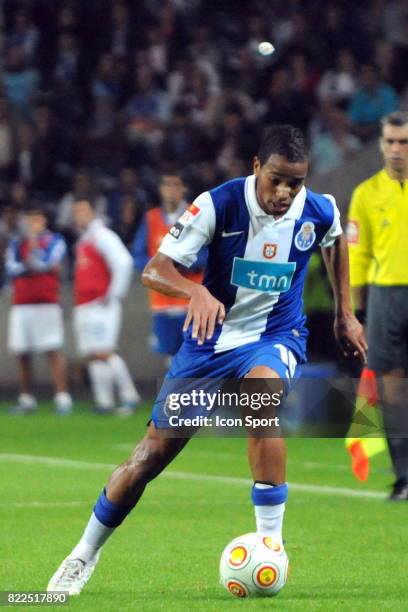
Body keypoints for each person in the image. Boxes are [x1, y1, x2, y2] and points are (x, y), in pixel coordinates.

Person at [47, 125, 366, 594]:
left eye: (295, 183)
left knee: (261, 404)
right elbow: (156, 269)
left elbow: (334, 241)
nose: (284, 192)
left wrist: (345, 313)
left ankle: (270, 545)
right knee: (149, 456)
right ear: (256, 166)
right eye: (276, 179)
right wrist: (194, 290)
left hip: (275, 335)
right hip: (207, 345)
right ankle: (83, 553)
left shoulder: (317, 209)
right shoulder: (218, 204)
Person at [347, 111, 408, 500]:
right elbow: (357, 259)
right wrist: (356, 316)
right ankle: (404, 476)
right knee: (394, 390)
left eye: (404, 142)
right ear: (381, 143)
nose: (397, 150)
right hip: (386, 297)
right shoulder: (366, 194)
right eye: (390, 141)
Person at [72, 198, 141, 415]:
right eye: (76, 211)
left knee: (104, 352)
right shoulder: (84, 240)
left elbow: (123, 261)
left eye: (83, 210)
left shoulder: (103, 236)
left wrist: (113, 294)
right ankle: (104, 401)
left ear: (93, 212)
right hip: (84, 304)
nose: (79, 215)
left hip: (100, 304)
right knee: (92, 354)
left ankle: (130, 396)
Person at [5, 203, 73, 414]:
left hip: (46, 302)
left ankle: (62, 397)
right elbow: (11, 267)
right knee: (21, 351)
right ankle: (26, 398)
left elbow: (45, 263)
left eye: (36, 218)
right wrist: (29, 264)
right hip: (22, 303)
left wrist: (33, 250)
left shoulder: (54, 241)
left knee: (52, 349)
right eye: (29, 219)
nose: (32, 223)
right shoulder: (16, 242)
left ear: (44, 220)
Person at [133, 171, 206, 360]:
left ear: (184, 189)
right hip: (162, 302)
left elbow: (210, 253)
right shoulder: (151, 218)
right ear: (160, 189)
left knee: (196, 357)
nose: (171, 190)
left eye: (175, 185)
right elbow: (138, 255)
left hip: (192, 303)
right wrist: (160, 268)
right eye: (167, 185)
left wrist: (180, 263)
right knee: (170, 359)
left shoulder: (198, 215)